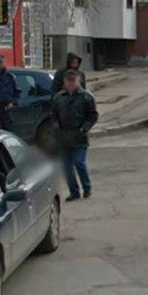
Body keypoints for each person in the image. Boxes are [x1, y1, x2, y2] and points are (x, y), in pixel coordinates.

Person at [51, 70, 99, 201]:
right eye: (69, 81)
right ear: (65, 82)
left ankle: (87, 187)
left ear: (79, 81)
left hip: (79, 136)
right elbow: (53, 114)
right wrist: (56, 127)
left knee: (79, 163)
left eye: (73, 81)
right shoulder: (59, 97)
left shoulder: (86, 97)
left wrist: (84, 129)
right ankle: (74, 191)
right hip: (64, 137)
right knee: (66, 167)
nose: (71, 84)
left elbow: (93, 115)